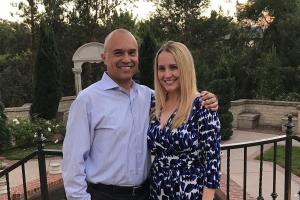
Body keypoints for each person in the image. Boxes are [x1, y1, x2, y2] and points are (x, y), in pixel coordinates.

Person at [62, 29, 218, 200]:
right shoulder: (87, 101)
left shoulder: (149, 98)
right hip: (106, 195)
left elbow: (212, 162)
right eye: (118, 53)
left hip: (148, 193)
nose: (126, 59)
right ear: (104, 57)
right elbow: (73, 164)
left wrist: (208, 98)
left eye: (132, 53)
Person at [147, 41, 221, 200]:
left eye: (173, 67)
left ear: (185, 68)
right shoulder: (155, 105)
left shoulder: (202, 106)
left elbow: (212, 165)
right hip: (156, 192)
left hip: (188, 193)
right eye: (162, 68)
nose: (167, 75)